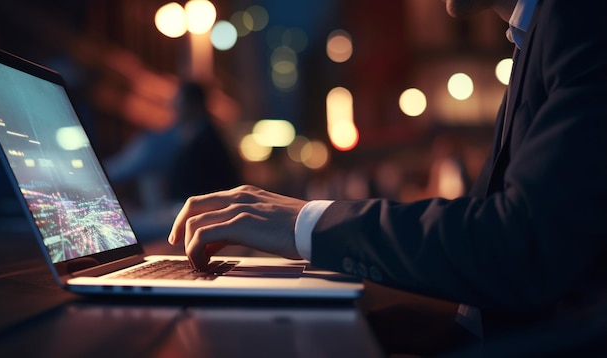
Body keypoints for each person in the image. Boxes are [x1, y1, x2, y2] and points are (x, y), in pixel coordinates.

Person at [168, 0, 607, 355]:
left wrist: (307, 223)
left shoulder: (582, 18)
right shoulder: (537, 34)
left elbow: (520, 246)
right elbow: (498, 248)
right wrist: (386, 314)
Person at [105, 82, 240, 210]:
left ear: (194, 105)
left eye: (179, 102)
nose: (174, 107)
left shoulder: (203, 142)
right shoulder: (201, 136)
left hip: (200, 210)